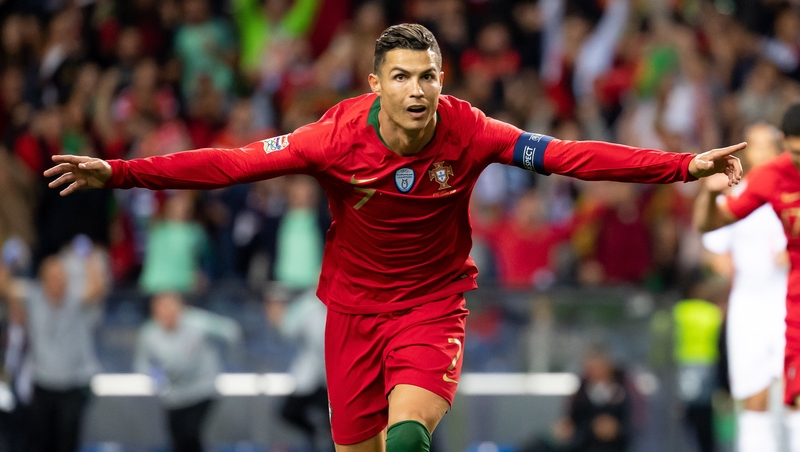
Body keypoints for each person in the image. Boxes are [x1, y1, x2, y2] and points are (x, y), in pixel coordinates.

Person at [45, 23, 743, 452]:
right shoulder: (332, 138)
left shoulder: (471, 131)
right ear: (376, 83)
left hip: (431, 306)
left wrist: (683, 166)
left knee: (407, 436)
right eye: (401, 77)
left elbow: (568, 156)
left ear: (443, 81)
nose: (416, 90)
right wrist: (121, 173)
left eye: (427, 77)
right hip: (351, 311)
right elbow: (229, 164)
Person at [693, 102, 800, 450]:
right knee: (756, 395)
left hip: (788, 297)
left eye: (768, 145)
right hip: (752, 304)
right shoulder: (756, 187)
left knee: (795, 394)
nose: (763, 153)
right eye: (756, 146)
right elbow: (711, 236)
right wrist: (723, 263)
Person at [4, 242, 108, 452]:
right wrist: (7, 260)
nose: (57, 281)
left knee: (67, 441)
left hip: (75, 384)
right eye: (52, 277)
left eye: (61, 276)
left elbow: (98, 288)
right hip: (43, 384)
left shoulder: (78, 300)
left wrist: (89, 259)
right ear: (42, 280)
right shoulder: (33, 298)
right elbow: (5, 287)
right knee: (41, 442)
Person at [134, 292, 242, 452]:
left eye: (171, 306)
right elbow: (143, 365)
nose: (167, 312)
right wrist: (158, 382)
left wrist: (228, 364)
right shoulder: (148, 334)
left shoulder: (198, 322)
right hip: (173, 396)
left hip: (203, 390)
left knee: (191, 434)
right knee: (178, 440)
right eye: (161, 307)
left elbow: (231, 331)